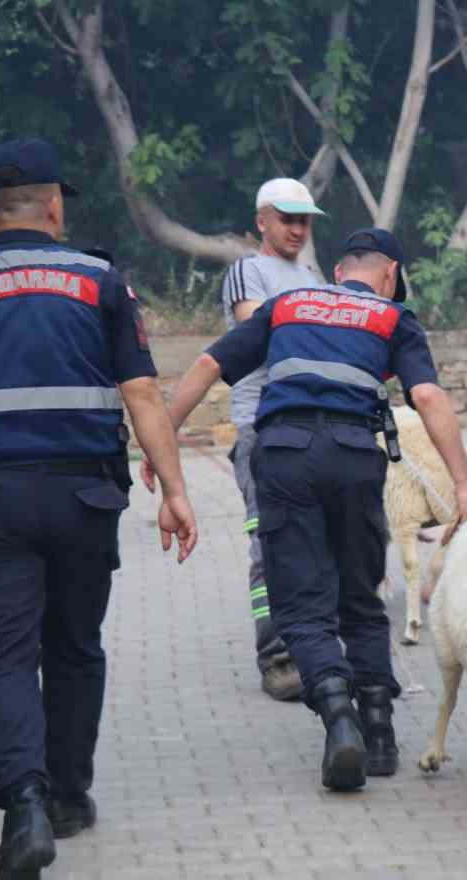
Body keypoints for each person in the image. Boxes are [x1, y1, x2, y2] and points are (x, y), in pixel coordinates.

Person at [0, 137, 199, 880]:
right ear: (55, 205)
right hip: (84, 498)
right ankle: (67, 794)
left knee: (2, 659)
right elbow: (143, 395)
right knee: (73, 647)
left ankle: (22, 806)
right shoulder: (99, 281)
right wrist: (176, 489)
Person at [155, 227, 467, 792]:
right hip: (356, 458)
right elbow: (427, 397)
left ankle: (339, 720)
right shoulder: (391, 317)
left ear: (338, 272)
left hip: (283, 455)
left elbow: (210, 365)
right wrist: (464, 485)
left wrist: (163, 442)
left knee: (302, 605)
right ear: (390, 274)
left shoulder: (286, 305)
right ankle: (379, 731)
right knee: (360, 594)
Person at [143, 178, 325, 703]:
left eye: (304, 219)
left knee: (312, 543)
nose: (296, 228)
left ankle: (315, 647)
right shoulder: (250, 269)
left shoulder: (308, 273)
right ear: (262, 221)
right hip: (263, 427)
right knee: (269, 541)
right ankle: (277, 657)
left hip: (310, 424)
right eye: (286, 218)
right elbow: (259, 332)